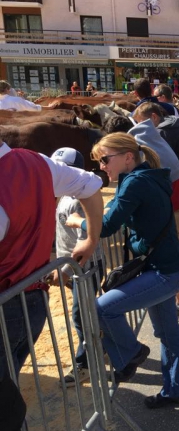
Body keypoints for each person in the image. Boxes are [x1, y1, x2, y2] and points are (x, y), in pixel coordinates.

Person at [66, 132, 179, 408]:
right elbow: (115, 211)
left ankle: (131, 354)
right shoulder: (143, 177)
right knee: (169, 334)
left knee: (101, 308)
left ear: (127, 158)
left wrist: (78, 221)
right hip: (167, 268)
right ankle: (178, 389)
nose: (102, 166)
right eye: (99, 161)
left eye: (105, 159)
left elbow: (107, 225)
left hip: (162, 273)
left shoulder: (135, 182)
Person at [0, 135, 103, 431]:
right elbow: (93, 185)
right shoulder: (35, 162)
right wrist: (91, 238)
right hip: (31, 299)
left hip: (8, 307)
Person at [130, 106, 179, 321]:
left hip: (175, 204)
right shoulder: (155, 137)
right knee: (175, 252)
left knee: (173, 256)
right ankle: (177, 301)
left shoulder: (143, 144)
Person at [51, 148, 105, 387]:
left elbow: (86, 238)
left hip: (85, 266)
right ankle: (101, 350)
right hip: (74, 266)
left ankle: (85, 364)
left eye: (63, 166)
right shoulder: (63, 193)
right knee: (86, 313)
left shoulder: (79, 198)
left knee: (81, 316)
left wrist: (64, 269)